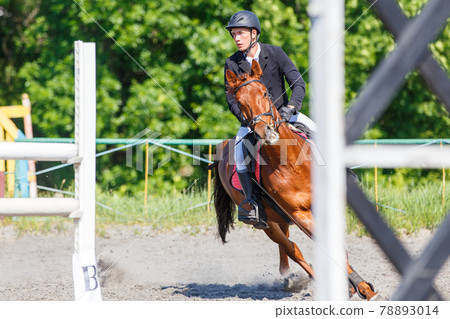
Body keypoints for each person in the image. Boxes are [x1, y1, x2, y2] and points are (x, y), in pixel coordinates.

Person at [224, 10, 315, 229]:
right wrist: (249, 121)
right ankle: (252, 203)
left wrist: (291, 108)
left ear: (254, 33)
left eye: (241, 33)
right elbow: (231, 99)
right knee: (238, 152)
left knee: (320, 132)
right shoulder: (232, 63)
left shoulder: (275, 53)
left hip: (286, 115)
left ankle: (346, 177)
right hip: (254, 122)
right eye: (234, 34)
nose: (236, 38)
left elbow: (298, 83)